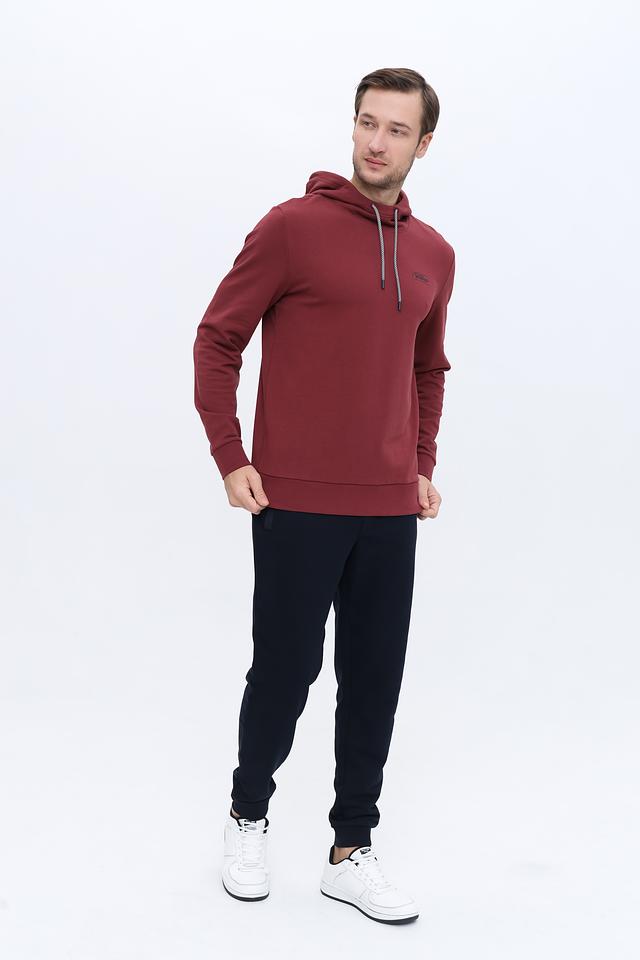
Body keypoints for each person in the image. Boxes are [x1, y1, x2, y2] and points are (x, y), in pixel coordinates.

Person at [193, 66, 456, 924]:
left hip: (389, 505)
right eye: (367, 123)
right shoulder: (291, 228)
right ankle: (248, 816)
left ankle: (351, 849)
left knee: (374, 678)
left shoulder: (433, 255)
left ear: (423, 144)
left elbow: (428, 368)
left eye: (396, 130)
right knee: (285, 668)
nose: (377, 142)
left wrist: (421, 461)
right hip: (296, 499)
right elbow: (218, 338)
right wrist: (230, 455)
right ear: (352, 126)